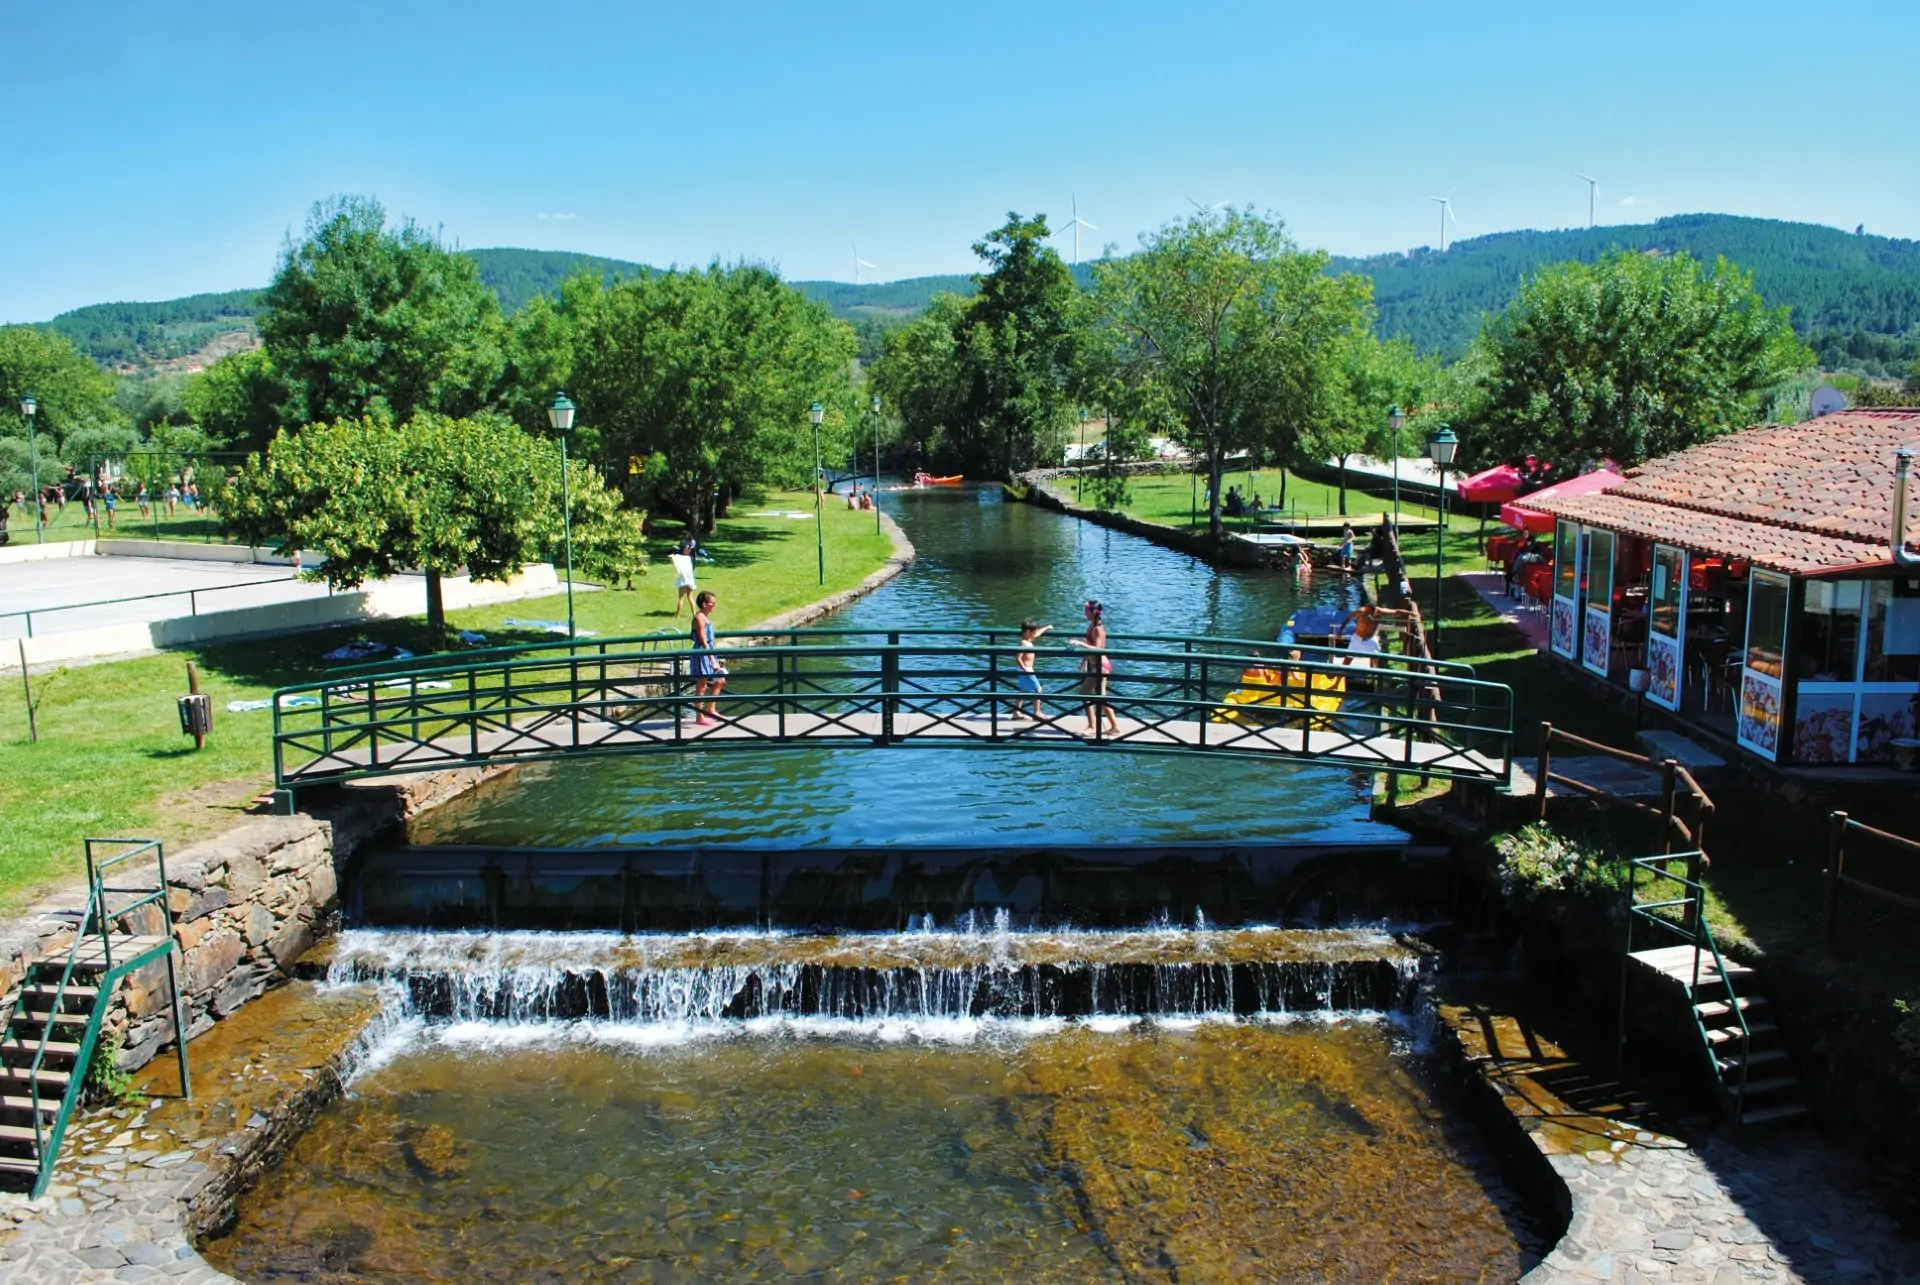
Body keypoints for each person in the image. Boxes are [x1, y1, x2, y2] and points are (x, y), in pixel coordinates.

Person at [1067, 599, 1120, 738]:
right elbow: (1089, 643)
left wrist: (1079, 643)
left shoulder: (1097, 628)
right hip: (1096, 665)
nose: (1084, 612)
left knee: (1084, 693)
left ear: (1093, 612)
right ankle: (1114, 726)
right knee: (1101, 698)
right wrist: (1084, 661)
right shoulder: (1091, 625)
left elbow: (1097, 648)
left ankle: (1092, 726)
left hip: (1101, 666)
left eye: (1086, 610)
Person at [690, 591, 727, 725]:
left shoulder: (705, 617)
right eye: (713, 603)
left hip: (710, 653)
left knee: (720, 680)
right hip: (702, 654)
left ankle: (710, 709)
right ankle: (699, 717)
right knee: (701, 686)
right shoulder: (699, 618)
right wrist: (712, 660)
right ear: (705, 604)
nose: (714, 606)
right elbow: (703, 640)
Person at [1013, 618, 1054, 720]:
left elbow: (1037, 633)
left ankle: (1016, 712)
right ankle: (1037, 712)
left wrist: (1047, 627)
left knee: (1023, 691)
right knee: (1038, 690)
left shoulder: (1028, 639)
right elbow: (1018, 658)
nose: (1035, 634)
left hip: (1024, 669)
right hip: (1026, 670)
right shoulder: (1023, 643)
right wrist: (1025, 670)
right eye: (1033, 632)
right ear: (1028, 632)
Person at [672, 530, 700, 617]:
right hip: (690, 581)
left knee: (681, 598)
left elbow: (676, 564)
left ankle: (677, 615)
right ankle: (694, 614)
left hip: (683, 581)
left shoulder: (679, 558)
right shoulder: (689, 560)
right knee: (690, 598)